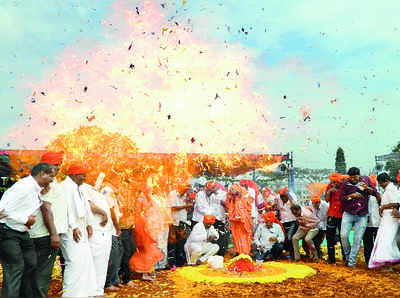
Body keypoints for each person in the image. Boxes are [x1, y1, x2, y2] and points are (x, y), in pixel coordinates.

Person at [0, 163, 54, 297]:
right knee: (16, 267)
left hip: (22, 233)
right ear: (42, 174)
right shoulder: (24, 187)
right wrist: (25, 220)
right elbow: (2, 210)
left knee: (30, 263)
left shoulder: (36, 189)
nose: (53, 180)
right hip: (8, 232)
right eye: (51, 176)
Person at [30, 152, 68, 297]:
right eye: (55, 164)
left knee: (37, 271)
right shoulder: (46, 181)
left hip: (41, 233)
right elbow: (46, 208)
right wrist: (54, 233)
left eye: (59, 165)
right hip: (44, 235)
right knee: (42, 273)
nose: (58, 168)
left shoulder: (46, 180)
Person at [59, 163, 97, 297]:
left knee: (84, 260)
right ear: (74, 175)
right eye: (83, 175)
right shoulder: (64, 187)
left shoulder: (79, 187)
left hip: (81, 227)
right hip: (70, 229)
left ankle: (83, 293)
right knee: (74, 261)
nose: (85, 178)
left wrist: (89, 223)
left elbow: (85, 206)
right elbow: (66, 209)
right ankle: (70, 294)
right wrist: (74, 226)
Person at [339, 167, 378, 268]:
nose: (353, 179)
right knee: (343, 236)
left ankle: (351, 263)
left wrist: (367, 188)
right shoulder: (345, 184)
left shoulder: (366, 180)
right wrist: (352, 196)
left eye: (355, 177)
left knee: (357, 239)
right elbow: (341, 198)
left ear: (359, 175)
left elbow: (375, 192)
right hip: (348, 213)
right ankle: (347, 257)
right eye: (351, 177)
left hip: (362, 214)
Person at [82, 183, 113, 296]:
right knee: (95, 262)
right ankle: (92, 291)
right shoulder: (83, 187)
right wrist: (103, 213)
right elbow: (88, 204)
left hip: (105, 231)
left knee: (102, 262)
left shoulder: (97, 189)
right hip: (96, 231)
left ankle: (98, 290)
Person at [368, 172, 400, 272]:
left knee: (386, 241)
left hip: (391, 218)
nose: (380, 186)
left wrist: (383, 207)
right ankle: (388, 265)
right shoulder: (389, 189)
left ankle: (388, 266)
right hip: (387, 218)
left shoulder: (391, 189)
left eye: (381, 183)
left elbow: (396, 204)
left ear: (386, 181)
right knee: (386, 241)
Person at [130, 188, 163, 281]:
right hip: (139, 225)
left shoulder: (141, 198)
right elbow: (143, 208)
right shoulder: (140, 198)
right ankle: (144, 272)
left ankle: (145, 272)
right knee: (145, 249)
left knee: (145, 249)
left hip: (142, 224)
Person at [192, 181, 228, 256]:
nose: (211, 191)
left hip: (208, 221)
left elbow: (215, 208)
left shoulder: (212, 195)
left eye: (212, 189)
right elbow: (201, 208)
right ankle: (195, 257)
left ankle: (205, 256)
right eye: (209, 189)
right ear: (206, 188)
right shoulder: (200, 194)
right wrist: (213, 216)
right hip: (199, 221)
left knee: (207, 239)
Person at [102, 185, 124, 291]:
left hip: (114, 230)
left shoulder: (113, 192)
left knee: (119, 253)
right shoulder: (107, 190)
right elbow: (111, 211)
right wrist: (117, 227)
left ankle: (114, 280)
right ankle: (107, 282)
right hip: (111, 230)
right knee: (114, 256)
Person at [168, 184, 192, 268]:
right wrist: (185, 206)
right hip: (173, 222)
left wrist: (189, 202)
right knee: (172, 243)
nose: (186, 191)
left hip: (182, 221)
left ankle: (179, 262)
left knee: (181, 243)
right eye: (184, 189)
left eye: (187, 189)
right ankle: (172, 263)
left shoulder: (186, 196)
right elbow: (172, 208)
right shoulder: (172, 194)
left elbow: (189, 210)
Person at [226, 184, 252, 255]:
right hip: (235, 221)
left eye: (233, 190)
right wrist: (230, 198)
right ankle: (238, 251)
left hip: (244, 221)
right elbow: (229, 206)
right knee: (236, 235)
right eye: (231, 190)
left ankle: (245, 251)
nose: (231, 191)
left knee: (245, 235)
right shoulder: (232, 198)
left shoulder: (244, 196)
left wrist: (241, 216)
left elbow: (248, 208)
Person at [325, 173, 345, 264]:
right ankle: (331, 258)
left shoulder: (344, 187)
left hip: (342, 215)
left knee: (342, 237)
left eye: (336, 182)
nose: (334, 184)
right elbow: (326, 200)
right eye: (332, 182)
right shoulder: (329, 187)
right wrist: (329, 192)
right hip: (331, 215)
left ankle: (345, 257)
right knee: (329, 238)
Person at [363, 174, 381, 265]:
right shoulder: (363, 195)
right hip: (366, 223)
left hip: (378, 223)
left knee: (378, 243)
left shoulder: (379, 194)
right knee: (367, 243)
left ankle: (377, 260)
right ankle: (368, 261)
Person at [277, 186, 298, 259]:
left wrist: (288, 196)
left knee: (289, 237)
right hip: (283, 221)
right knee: (283, 238)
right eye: (281, 197)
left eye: (284, 197)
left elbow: (295, 205)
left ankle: (293, 255)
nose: (283, 199)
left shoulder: (292, 197)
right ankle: (286, 252)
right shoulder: (279, 199)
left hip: (292, 221)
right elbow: (277, 208)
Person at [308, 194, 329, 259]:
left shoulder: (326, 206)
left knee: (318, 240)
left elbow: (327, 217)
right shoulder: (310, 204)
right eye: (313, 203)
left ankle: (317, 254)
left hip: (323, 225)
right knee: (312, 240)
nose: (314, 205)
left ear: (319, 202)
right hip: (314, 225)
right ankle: (314, 253)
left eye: (316, 203)